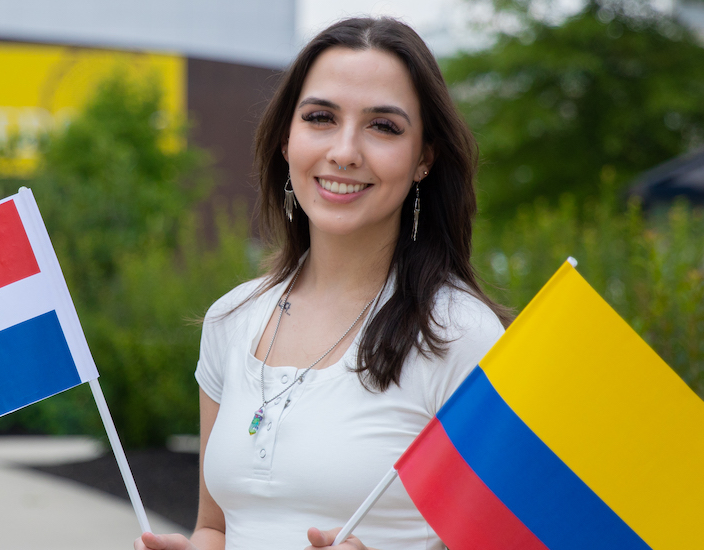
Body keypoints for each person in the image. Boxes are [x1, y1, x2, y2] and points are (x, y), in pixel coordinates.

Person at [135, 17, 509, 550]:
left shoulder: (459, 336)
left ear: (424, 157)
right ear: (287, 139)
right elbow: (216, 526)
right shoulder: (231, 319)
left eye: (384, 126)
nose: (345, 151)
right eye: (320, 118)